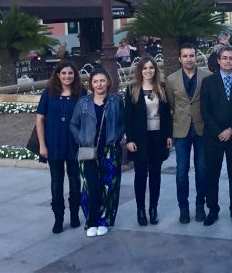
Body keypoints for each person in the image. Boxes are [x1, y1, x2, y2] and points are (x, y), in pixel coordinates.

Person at [200, 45, 232, 226]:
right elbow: (205, 110)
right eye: (224, 58)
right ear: (218, 60)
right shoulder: (208, 82)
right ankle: (212, 210)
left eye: (231, 58)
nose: (228, 61)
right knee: (212, 175)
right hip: (213, 137)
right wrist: (219, 131)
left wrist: (231, 129)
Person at [70, 68, 125, 237]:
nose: (99, 84)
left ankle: (104, 220)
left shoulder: (115, 101)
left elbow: (123, 122)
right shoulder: (83, 102)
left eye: (102, 81)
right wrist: (81, 138)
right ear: (91, 84)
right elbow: (73, 124)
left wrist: (116, 136)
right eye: (95, 81)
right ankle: (91, 221)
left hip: (109, 150)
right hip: (88, 150)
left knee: (108, 187)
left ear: (108, 82)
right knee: (91, 187)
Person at [36, 60, 87, 234]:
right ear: (58, 75)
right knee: (57, 182)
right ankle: (58, 218)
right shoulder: (48, 93)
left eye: (70, 73)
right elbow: (40, 119)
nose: (67, 76)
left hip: (74, 143)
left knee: (75, 180)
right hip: (54, 143)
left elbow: (87, 118)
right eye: (64, 73)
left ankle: (74, 214)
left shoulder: (81, 93)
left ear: (75, 75)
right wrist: (42, 145)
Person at [166, 44, 212, 224]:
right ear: (180, 58)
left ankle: (200, 206)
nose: (189, 59)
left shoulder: (206, 76)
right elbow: (171, 103)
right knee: (181, 171)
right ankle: (183, 208)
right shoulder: (171, 79)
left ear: (196, 57)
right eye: (185, 56)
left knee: (202, 170)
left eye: (191, 55)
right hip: (181, 129)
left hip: (201, 128)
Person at [124, 56, 172, 226]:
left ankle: (153, 208)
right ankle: (140, 209)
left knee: (155, 175)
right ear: (140, 71)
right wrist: (129, 139)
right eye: (145, 68)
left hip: (158, 137)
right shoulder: (132, 89)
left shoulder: (162, 88)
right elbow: (128, 117)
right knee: (140, 175)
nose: (148, 71)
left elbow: (167, 115)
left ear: (155, 70)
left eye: (151, 67)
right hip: (139, 139)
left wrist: (169, 135)